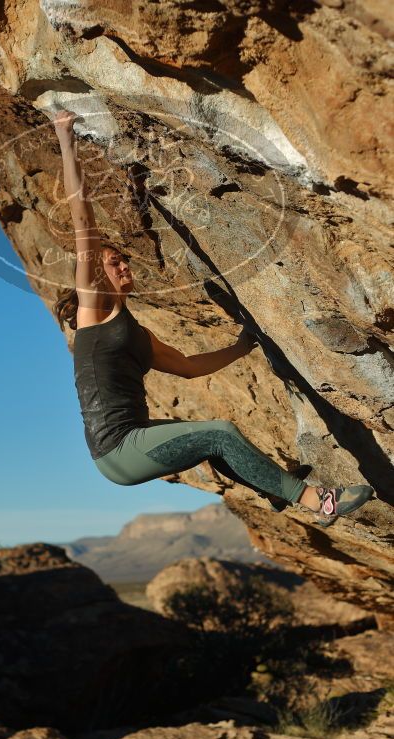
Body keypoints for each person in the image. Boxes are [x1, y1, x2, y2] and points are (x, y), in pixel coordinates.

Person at [51, 109, 374, 527]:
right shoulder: (93, 314)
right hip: (119, 450)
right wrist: (65, 138)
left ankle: (272, 487)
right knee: (218, 433)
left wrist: (243, 347)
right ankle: (317, 500)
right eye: (114, 263)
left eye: (123, 260)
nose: (123, 266)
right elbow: (83, 224)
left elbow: (188, 367)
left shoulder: (136, 334)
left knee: (210, 442)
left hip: (123, 448)